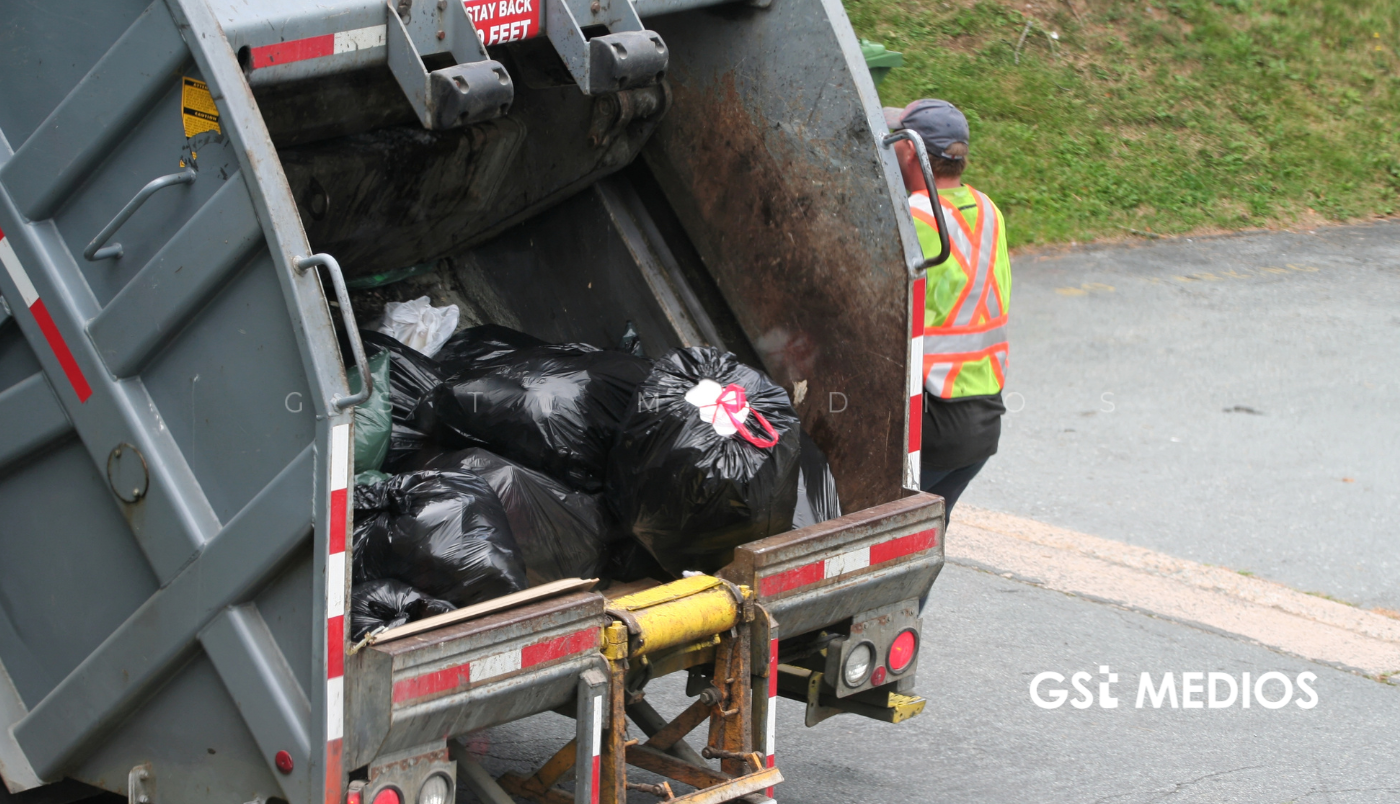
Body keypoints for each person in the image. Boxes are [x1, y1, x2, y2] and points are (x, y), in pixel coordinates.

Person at [886, 99, 1011, 518]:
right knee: (916, 547)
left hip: (931, 423)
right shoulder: (988, 210)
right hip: (982, 421)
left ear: (908, 149)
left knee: (874, 544)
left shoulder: (913, 215)